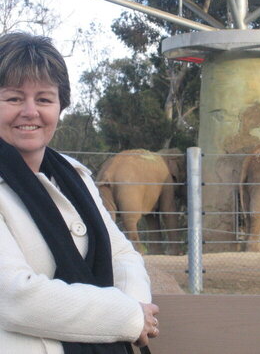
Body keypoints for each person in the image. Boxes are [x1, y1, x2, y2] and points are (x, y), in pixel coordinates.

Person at [0, 32, 159, 354]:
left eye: (44, 99)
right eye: (14, 98)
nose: (30, 111)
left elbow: (122, 255)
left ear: (60, 107)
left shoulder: (74, 176)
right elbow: (13, 296)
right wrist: (126, 317)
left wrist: (135, 307)